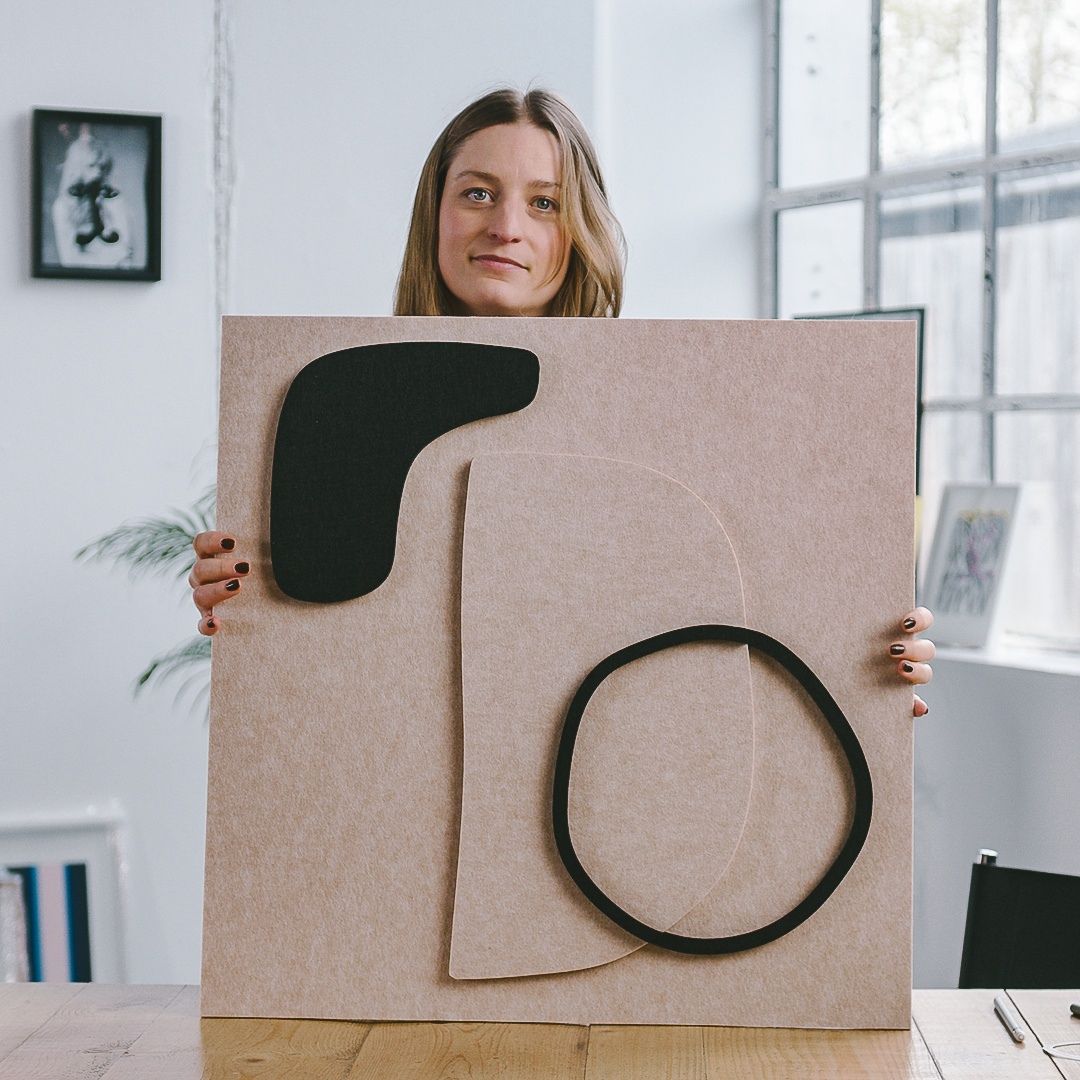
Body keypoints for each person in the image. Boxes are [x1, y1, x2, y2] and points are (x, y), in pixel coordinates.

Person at [187, 87, 934, 716]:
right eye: (477, 192)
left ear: (578, 231)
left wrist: (867, 652)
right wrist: (250, 598)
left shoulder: (669, 417)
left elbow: (740, 595)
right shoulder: (337, 410)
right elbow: (333, 647)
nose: (505, 226)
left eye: (544, 203)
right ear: (435, 214)